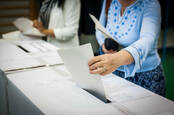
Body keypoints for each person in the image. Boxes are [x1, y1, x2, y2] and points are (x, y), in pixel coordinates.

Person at [88, 0, 166, 96]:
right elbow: (99, 27)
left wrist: (117, 58)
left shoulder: (151, 4)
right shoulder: (109, 1)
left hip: (144, 77)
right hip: (114, 73)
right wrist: (103, 45)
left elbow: (148, 39)